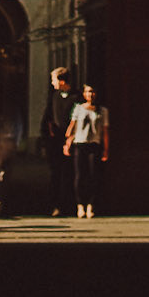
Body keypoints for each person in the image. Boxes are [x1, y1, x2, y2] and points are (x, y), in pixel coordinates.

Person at [63, 83, 108, 218]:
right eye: (88, 92)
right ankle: (80, 205)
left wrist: (106, 149)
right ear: (84, 94)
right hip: (80, 143)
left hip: (94, 144)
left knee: (93, 175)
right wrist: (67, 142)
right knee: (79, 175)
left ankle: (91, 205)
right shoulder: (78, 109)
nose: (90, 94)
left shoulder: (102, 111)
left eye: (93, 92)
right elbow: (72, 127)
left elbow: (105, 132)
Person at [38, 65, 74, 216]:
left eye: (53, 80)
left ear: (62, 81)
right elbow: (47, 117)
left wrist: (71, 138)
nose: (52, 83)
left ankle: (69, 204)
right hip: (55, 141)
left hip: (70, 141)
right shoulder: (54, 97)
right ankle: (55, 205)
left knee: (69, 173)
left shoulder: (76, 97)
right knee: (55, 174)